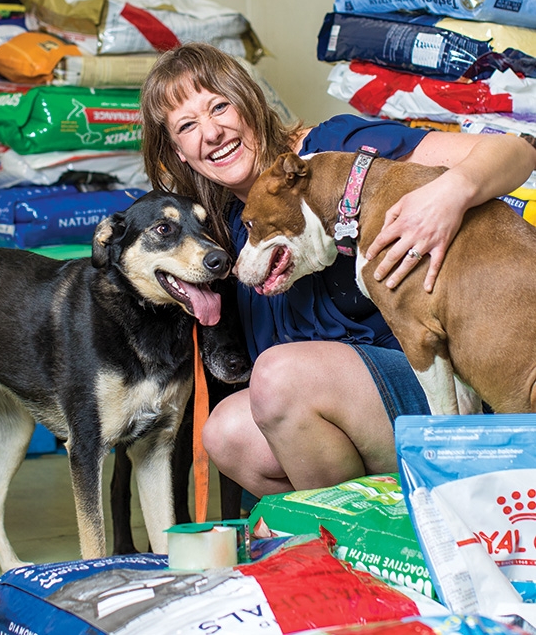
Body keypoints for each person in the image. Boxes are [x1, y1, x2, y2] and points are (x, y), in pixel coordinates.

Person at [139, 42, 536, 499]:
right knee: (228, 432)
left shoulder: (334, 156)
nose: (211, 132)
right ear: (179, 153)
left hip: (433, 385)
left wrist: (449, 193)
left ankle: (347, 532)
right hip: (323, 417)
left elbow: (516, 152)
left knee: (279, 376)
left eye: (219, 106)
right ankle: (354, 525)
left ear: (249, 102)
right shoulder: (224, 228)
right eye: (188, 126)